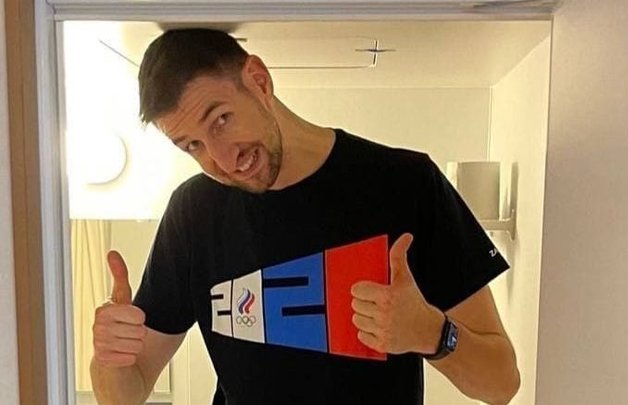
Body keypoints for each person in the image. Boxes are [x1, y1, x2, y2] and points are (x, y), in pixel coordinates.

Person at [90, 28, 520, 405]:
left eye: (221, 119)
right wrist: (109, 357)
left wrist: (431, 333)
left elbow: (502, 383)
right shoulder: (192, 212)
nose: (221, 160)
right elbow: (125, 392)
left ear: (259, 81)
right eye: (192, 145)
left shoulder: (406, 183)